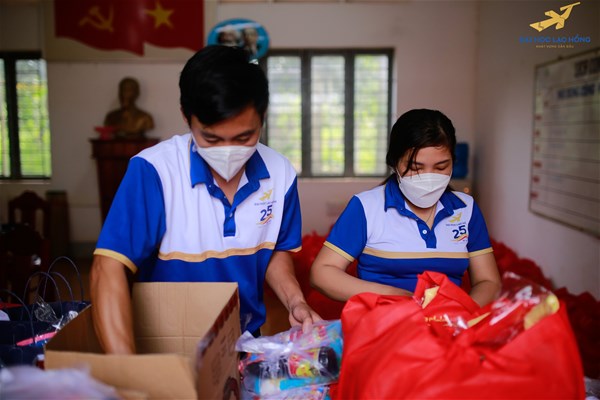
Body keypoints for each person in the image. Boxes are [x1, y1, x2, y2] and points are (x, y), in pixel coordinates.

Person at [90, 45, 320, 354]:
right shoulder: (155, 171)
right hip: (167, 347)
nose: (228, 151)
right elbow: (108, 267)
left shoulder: (280, 174)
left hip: (242, 341)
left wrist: (295, 301)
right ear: (186, 117)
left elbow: (276, 251)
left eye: (244, 137)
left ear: (262, 117)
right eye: (211, 138)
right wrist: (128, 369)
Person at [310, 109, 501, 307]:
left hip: (448, 323)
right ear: (394, 163)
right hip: (384, 320)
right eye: (416, 168)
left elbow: (488, 281)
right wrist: (394, 296)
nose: (428, 177)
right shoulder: (367, 207)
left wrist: (462, 313)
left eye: (441, 167)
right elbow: (322, 273)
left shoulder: (466, 209)